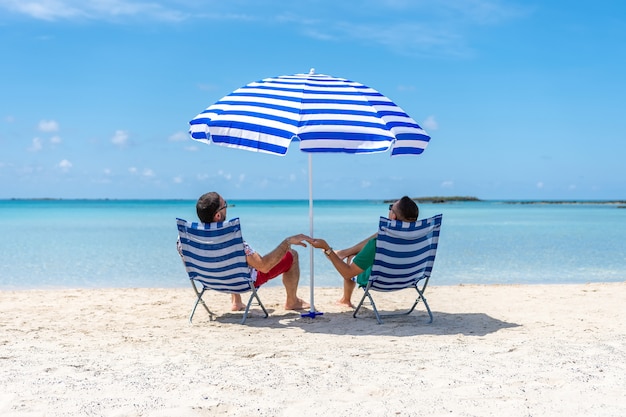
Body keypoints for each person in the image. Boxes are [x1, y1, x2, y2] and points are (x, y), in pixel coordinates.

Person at [192, 191, 310, 311]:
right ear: (218, 216)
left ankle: (236, 301)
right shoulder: (232, 239)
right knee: (292, 255)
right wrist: (287, 242)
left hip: (211, 282)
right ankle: (292, 301)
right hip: (242, 283)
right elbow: (263, 266)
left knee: (229, 258)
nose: (227, 208)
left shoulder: (187, 239)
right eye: (225, 205)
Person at [309, 196, 419, 307]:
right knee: (378, 236)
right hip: (409, 278)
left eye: (391, 208)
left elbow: (347, 273)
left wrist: (328, 250)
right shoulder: (421, 238)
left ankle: (345, 300)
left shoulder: (378, 243)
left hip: (379, 280)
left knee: (351, 258)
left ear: (393, 216)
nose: (389, 210)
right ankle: (344, 253)